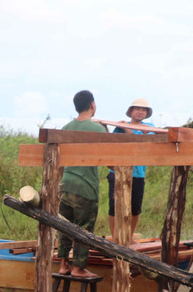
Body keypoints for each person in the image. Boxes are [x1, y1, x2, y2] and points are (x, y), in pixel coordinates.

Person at [57, 90, 106, 278]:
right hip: (85, 187)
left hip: (66, 184)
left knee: (64, 227)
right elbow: (110, 158)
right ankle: (78, 268)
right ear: (92, 105)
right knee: (83, 229)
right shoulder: (98, 130)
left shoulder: (66, 127)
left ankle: (63, 264)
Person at [107, 98, 154, 240]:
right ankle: (115, 237)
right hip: (117, 171)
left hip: (138, 173)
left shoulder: (149, 127)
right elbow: (109, 140)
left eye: (144, 110)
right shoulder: (120, 127)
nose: (141, 112)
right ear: (131, 111)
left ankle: (130, 236)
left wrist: (125, 128)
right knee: (114, 206)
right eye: (138, 109)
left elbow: (141, 141)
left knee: (135, 207)